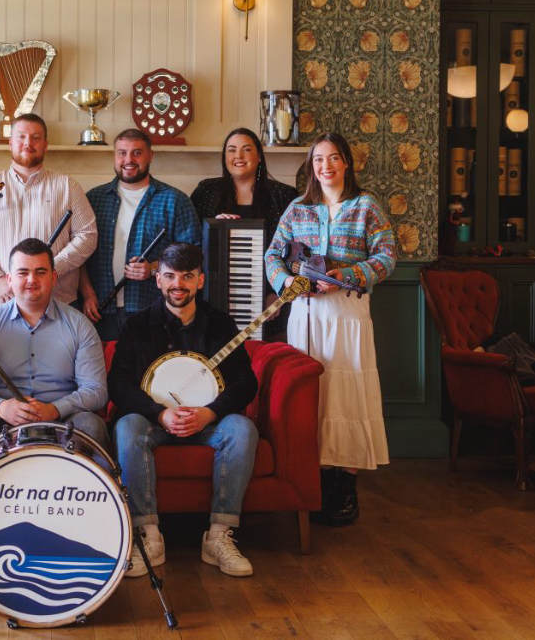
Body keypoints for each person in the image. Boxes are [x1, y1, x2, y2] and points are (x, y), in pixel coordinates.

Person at [264, 131, 396, 527]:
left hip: (348, 313)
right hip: (305, 314)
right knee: (311, 394)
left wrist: (348, 274)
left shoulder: (365, 206)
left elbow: (388, 256)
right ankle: (315, 480)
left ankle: (346, 485)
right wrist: (286, 283)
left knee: (347, 393)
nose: (326, 166)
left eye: (334, 158)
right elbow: (273, 254)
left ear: (346, 164)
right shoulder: (298, 208)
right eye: (319, 160)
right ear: (311, 167)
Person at [111, 242, 260, 578]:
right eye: (170, 276)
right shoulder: (136, 325)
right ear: (159, 281)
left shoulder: (221, 324)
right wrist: (159, 414)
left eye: (187, 276)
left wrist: (211, 412)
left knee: (242, 429)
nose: (178, 283)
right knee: (126, 428)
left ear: (200, 281)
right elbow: (119, 385)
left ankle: (218, 536)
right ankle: (148, 537)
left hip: (207, 422)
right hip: (155, 422)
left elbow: (246, 382)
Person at [0, 238, 110, 468]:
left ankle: (77, 499)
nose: (31, 280)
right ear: (9, 278)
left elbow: (96, 390)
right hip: (3, 423)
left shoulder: (80, 326)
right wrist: (1, 408)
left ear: (54, 277)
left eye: (40, 272)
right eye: (22, 272)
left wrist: (54, 409)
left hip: (63, 420)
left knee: (91, 425)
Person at [0, 113, 98, 318]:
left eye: (36, 137)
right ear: (10, 143)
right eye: (21, 137)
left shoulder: (68, 187)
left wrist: (51, 271)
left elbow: (88, 236)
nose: (28, 143)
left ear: (45, 145)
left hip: (58, 302)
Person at [80, 128, 200, 341]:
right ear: (114, 156)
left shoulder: (174, 200)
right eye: (122, 153)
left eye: (137, 153)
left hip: (152, 311)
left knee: (149, 372)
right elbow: (80, 255)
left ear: (150, 155)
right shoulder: (93, 199)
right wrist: (88, 294)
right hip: (100, 310)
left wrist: (154, 268)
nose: (128, 159)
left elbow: (193, 256)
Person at [190, 128, 300, 339]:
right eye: (231, 150)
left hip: (271, 301)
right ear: (224, 157)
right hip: (213, 298)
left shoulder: (284, 195)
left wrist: (276, 293)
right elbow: (189, 242)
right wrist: (211, 230)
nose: (238, 156)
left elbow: (295, 250)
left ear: (258, 156)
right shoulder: (206, 192)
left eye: (246, 150)